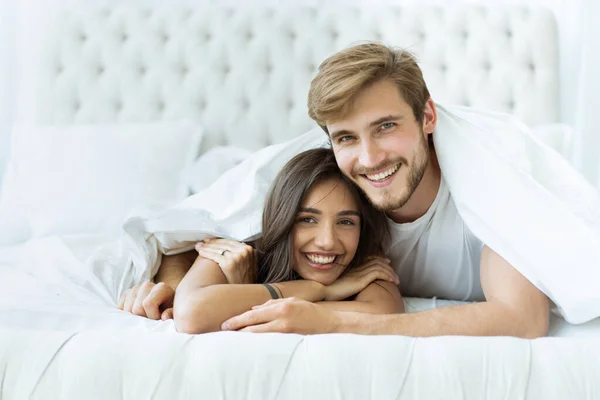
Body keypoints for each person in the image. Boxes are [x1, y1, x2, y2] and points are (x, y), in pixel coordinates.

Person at [122, 42, 550, 338]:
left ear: (428, 117)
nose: (370, 157)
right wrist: (168, 289)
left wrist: (332, 322)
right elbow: (185, 233)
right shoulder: (316, 179)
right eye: (346, 136)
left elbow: (523, 318)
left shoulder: (486, 177)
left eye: (386, 126)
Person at [120, 148, 404, 333]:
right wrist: (320, 290)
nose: (328, 242)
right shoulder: (238, 247)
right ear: (283, 219)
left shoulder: (363, 264)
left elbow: (383, 312)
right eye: (306, 219)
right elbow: (192, 311)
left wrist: (241, 294)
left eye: (346, 222)